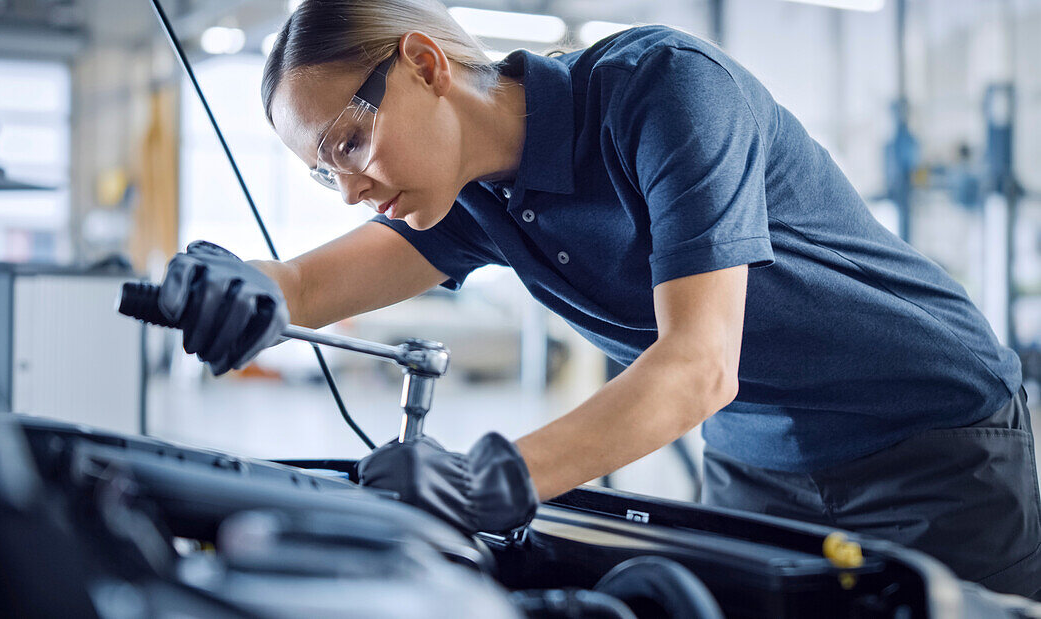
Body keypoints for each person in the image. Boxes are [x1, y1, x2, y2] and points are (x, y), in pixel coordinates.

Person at [153, 0, 1040, 596]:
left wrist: (488, 477)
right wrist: (232, 277)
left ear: (423, 64)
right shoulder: (476, 199)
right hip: (760, 467)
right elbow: (302, 284)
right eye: (321, 173)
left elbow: (697, 365)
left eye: (348, 142)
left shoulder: (664, 91)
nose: (347, 187)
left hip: (931, 445)